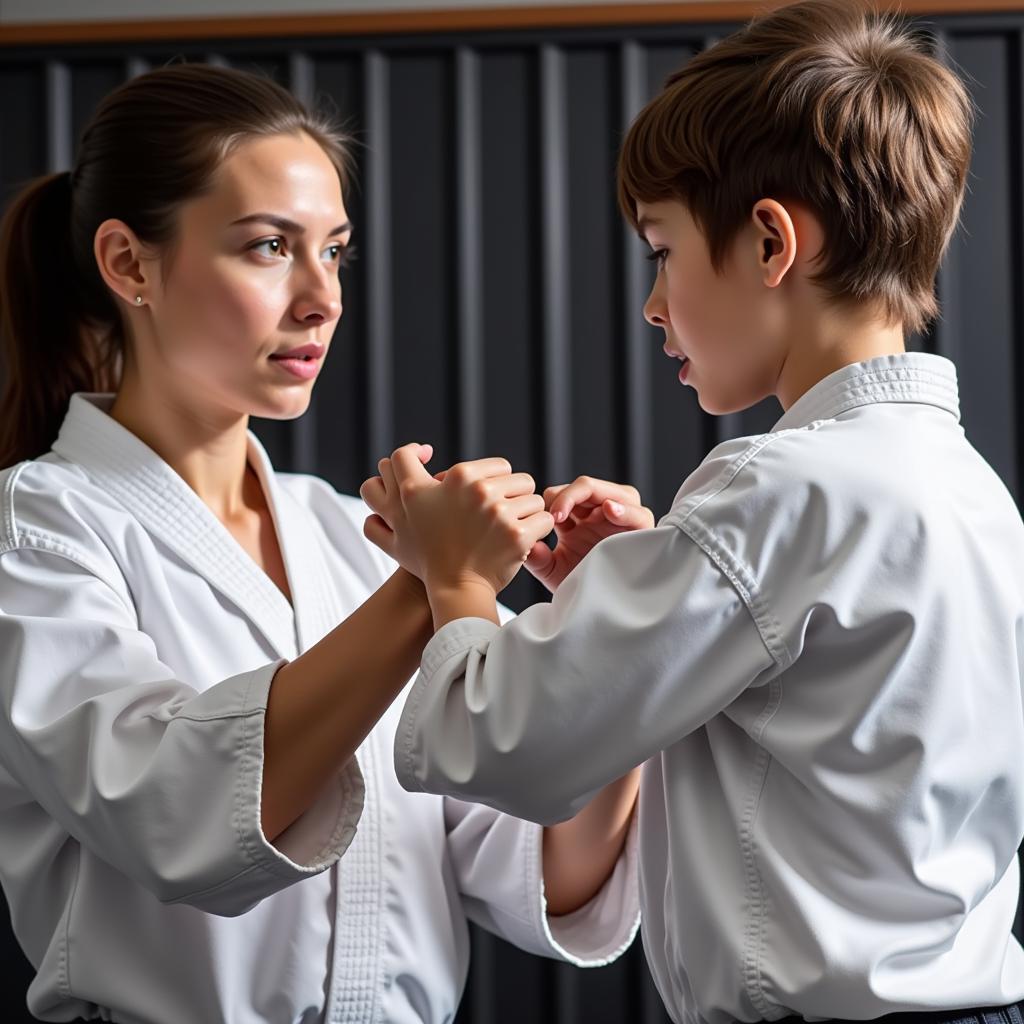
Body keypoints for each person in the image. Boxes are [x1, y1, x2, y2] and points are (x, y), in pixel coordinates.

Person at [359, 2, 1024, 1022]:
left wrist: (452, 575)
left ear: (769, 242)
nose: (652, 305)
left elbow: (503, 745)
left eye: (660, 252)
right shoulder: (967, 488)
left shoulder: (771, 486)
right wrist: (630, 586)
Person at [0, 63, 644, 1024]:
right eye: (268, 247)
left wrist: (615, 623)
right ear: (130, 264)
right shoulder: (37, 529)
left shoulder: (351, 530)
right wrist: (428, 583)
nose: (321, 298)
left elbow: (542, 869)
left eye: (334, 252)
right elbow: (169, 815)